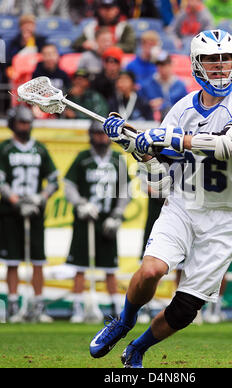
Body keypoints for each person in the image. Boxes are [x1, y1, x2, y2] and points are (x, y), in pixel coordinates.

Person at [89, 29, 232, 367]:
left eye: (225, 59)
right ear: (196, 65)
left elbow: (230, 143)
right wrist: (131, 143)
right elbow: (160, 160)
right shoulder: (182, 108)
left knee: (186, 308)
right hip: (184, 203)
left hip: (226, 214)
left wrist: (172, 138)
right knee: (151, 270)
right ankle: (124, 320)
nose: (219, 67)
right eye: (211, 60)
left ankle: (138, 348)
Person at [64, 120, 131, 323]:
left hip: (106, 219)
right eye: (97, 135)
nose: (101, 138)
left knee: (110, 267)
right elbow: (69, 185)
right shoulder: (82, 158)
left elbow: (125, 190)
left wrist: (117, 214)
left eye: (103, 135)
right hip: (85, 218)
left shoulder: (117, 159)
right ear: (91, 136)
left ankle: (115, 308)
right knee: (80, 265)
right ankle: (77, 307)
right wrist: (80, 204)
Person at [0, 105, 59, 323]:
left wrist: (40, 198)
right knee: (12, 259)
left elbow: (53, 179)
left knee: (37, 259)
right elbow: (1, 180)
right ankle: (14, 304)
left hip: (34, 210)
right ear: (13, 124)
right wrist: (16, 201)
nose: (26, 127)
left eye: (28, 123)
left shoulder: (40, 149)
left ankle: (37, 305)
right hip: (10, 212)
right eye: (22, 123)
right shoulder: (5, 149)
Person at [72, 0, 136, 54]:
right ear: (99, 10)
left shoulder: (124, 26)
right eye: (104, 8)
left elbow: (130, 47)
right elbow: (76, 44)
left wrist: (108, 47)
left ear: (116, 10)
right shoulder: (91, 27)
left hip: (117, 62)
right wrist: (85, 45)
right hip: (95, 60)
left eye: (110, 8)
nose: (107, 12)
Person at [140, 50, 188, 121]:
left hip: (175, 121)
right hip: (150, 121)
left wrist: (163, 103)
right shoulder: (148, 84)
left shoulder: (179, 85)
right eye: (159, 65)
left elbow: (185, 105)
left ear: (170, 65)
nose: (161, 68)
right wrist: (149, 104)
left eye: (164, 64)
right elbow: (140, 102)